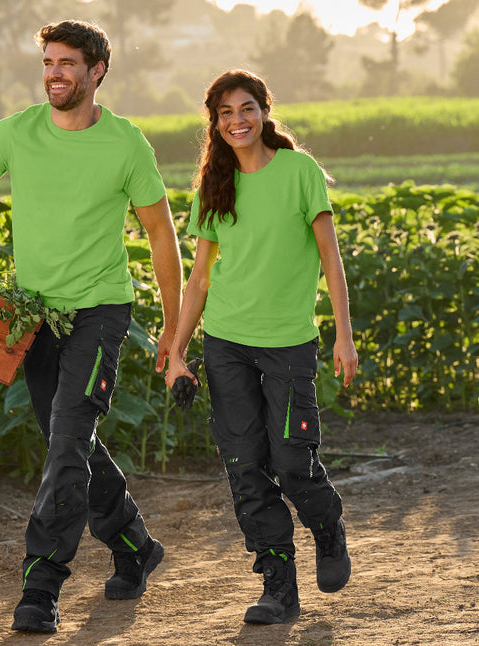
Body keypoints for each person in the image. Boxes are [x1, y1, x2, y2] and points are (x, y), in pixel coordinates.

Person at [0, 20, 182, 634]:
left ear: (98, 69)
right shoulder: (16, 133)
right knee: (66, 438)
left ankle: (41, 582)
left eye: (68, 63)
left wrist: (174, 332)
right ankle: (134, 545)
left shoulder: (127, 144)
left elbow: (161, 234)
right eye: (48, 61)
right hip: (35, 317)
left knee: (69, 438)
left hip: (101, 312)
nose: (54, 73)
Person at [166, 69, 358, 625]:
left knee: (293, 462)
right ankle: (278, 585)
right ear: (215, 122)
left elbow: (330, 258)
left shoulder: (299, 172)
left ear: (264, 110)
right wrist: (178, 351)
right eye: (224, 113)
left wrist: (344, 335)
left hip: (289, 344)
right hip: (226, 341)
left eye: (246, 108)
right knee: (246, 465)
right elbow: (200, 279)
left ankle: (327, 525)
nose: (236, 121)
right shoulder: (214, 185)